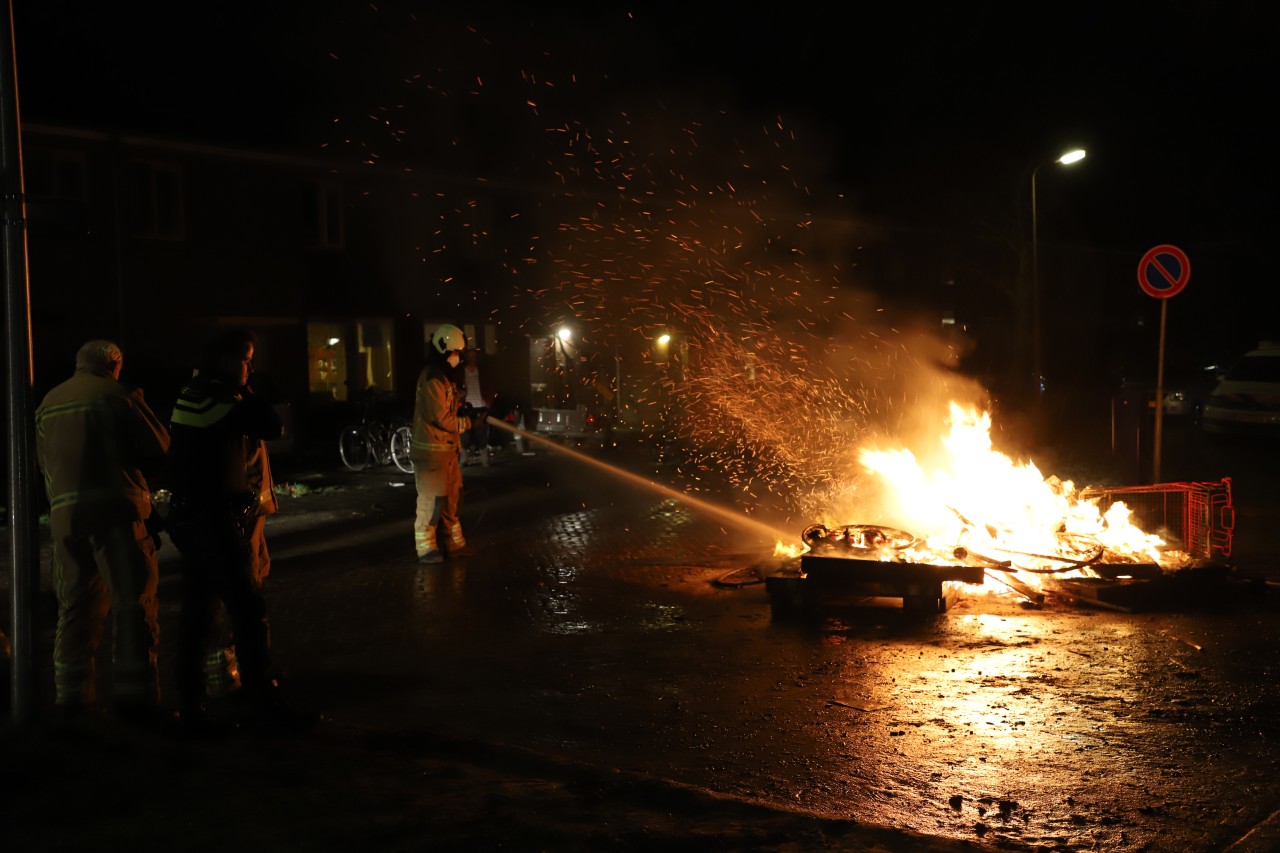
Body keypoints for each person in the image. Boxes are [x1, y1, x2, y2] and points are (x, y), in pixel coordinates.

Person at [166, 328, 308, 732]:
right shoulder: (216, 396)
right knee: (247, 610)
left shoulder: (194, 394)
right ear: (225, 361)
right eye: (245, 360)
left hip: (195, 518)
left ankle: (192, 709)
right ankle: (265, 705)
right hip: (210, 520)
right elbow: (272, 425)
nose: (249, 367)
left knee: (200, 613)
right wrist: (247, 390)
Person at [34, 339, 171, 723]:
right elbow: (159, 447)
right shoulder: (118, 395)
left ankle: (72, 700)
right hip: (117, 515)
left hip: (66, 518)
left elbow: (42, 463)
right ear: (115, 364)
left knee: (76, 605)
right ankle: (136, 700)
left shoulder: (48, 403)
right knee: (133, 604)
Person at [411, 324, 481, 564]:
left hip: (447, 451)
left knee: (453, 498)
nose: (458, 358)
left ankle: (454, 544)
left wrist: (463, 406)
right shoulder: (432, 379)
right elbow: (441, 419)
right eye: (455, 353)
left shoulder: (443, 378)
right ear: (444, 350)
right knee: (433, 501)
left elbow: (448, 409)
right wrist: (469, 423)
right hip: (431, 453)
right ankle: (426, 547)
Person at [459, 347, 493, 467]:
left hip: (480, 406)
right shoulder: (462, 372)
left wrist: (488, 400)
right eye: (469, 357)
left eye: (473, 357)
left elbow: (489, 386)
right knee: (465, 434)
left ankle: (485, 459)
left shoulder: (481, 371)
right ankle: (464, 459)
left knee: (482, 433)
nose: (471, 359)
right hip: (467, 407)